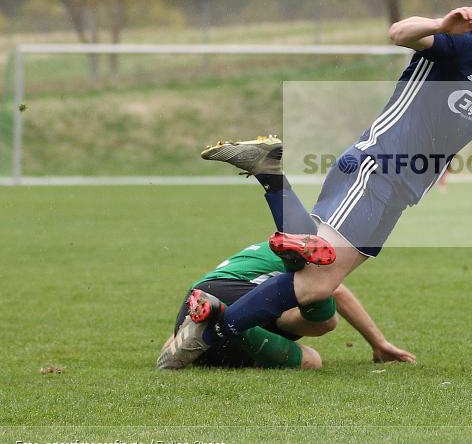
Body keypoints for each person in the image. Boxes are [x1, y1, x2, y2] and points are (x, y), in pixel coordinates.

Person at [168, 0, 472, 365]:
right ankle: (212, 333)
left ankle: (273, 186)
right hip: (375, 167)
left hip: (402, 189)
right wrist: (440, 23)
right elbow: (399, 32)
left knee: (320, 279)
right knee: (318, 279)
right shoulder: (462, 45)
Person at [156, 143, 415, 370]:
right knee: (321, 327)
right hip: (236, 298)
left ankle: (275, 193)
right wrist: (378, 343)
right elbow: (333, 291)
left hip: (198, 301)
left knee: (295, 307)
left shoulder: (250, 257)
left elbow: (174, 336)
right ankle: (292, 260)